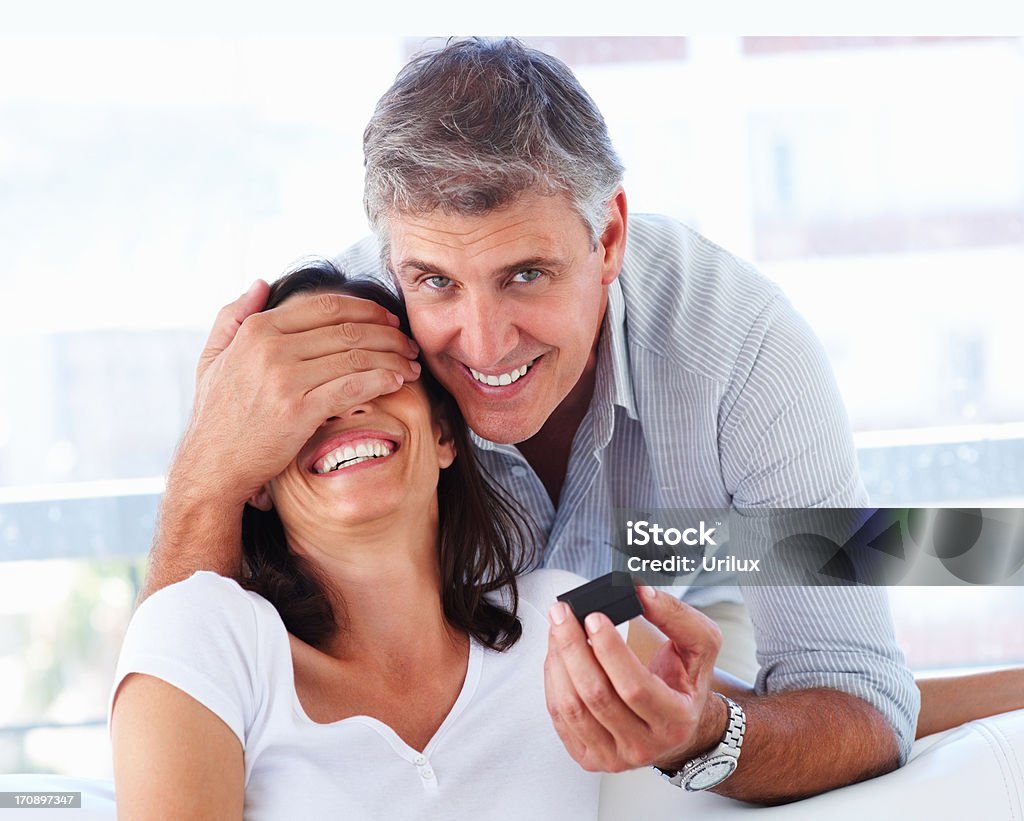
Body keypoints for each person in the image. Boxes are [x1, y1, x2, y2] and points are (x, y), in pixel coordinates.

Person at [136, 39, 1016, 804]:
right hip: (478, 634)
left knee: (815, 668)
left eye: (526, 274)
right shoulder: (350, 337)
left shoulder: (738, 342)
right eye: (435, 280)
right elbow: (188, 658)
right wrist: (209, 465)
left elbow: (850, 693)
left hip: (684, 560)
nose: (483, 343)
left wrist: (703, 734)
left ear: (609, 237)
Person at [110, 262, 700, 818]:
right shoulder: (209, 635)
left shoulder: (571, 607)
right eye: (305, 392)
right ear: (256, 478)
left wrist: (704, 729)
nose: (347, 403)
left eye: (375, 371)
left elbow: (741, 712)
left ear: (444, 434)